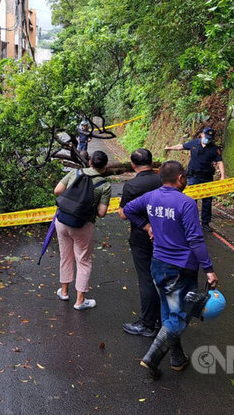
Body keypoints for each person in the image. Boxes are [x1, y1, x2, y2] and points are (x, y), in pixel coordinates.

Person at [123, 161, 218, 379]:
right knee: (179, 316)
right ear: (181, 178)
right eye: (184, 177)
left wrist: (147, 226)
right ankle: (152, 358)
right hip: (181, 269)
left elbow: (128, 209)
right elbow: (195, 238)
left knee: (169, 312)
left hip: (159, 265)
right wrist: (209, 270)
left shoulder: (151, 197)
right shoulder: (186, 203)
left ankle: (177, 359)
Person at [53, 150, 112, 311]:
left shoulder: (75, 172)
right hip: (83, 225)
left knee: (65, 257)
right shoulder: (104, 185)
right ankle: (80, 301)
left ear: (90, 161)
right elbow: (101, 213)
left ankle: (64, 292)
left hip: (62, 220)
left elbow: (57, 191)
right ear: (104, 167)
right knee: (83, 260)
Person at [117, 148, 162, 338]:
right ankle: (163, 318)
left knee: (146, 279)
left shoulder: (132, 185)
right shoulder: (163, 180)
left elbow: (124, 213)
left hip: (142, 238)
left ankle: (147, 324)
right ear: (152, 162)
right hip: (166, 236)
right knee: (162, 276)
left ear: (133, 165)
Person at [164, 127, 225, 232]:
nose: (208, 139)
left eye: (210, 138)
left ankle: (205, 223)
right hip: (193, 177)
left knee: (207, 201)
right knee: (191, 200)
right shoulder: (194, 144)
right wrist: (170, 148)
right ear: (202, 135)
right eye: (206, 137)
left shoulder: (214, 149)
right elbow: (181, 146)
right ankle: (190, 221)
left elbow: (219, 162)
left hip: (207, 178)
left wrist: (223, 176)